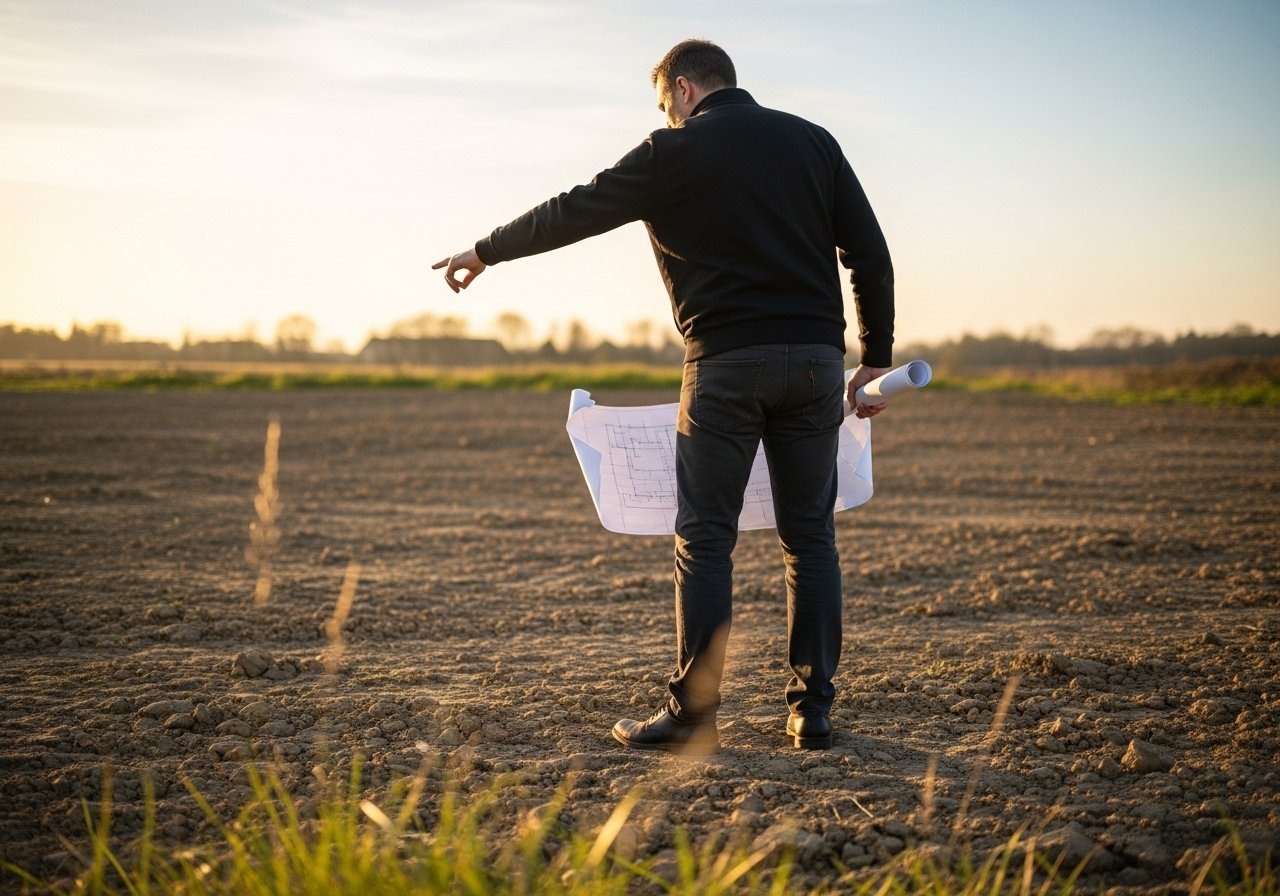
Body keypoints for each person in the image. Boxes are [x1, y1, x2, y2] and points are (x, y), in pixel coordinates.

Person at [434, 39, 894, 753]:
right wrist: (876, 359)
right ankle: (812, 713)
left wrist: (486, 249)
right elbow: (870, 253)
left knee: (706, 538)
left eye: (665, 105)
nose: (667, 116)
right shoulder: (814, 143)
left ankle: (693, 714)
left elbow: (572, 210)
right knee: (810, 539)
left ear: (681, 89)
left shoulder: (670, 151)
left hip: (725, 365)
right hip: (813, 364)